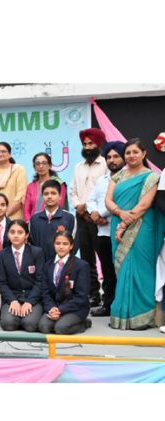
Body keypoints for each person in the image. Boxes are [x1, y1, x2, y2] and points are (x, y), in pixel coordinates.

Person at [106, 138, 163, 330]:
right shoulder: (117, 176)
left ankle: (142, 317)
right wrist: (120, 214)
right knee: (121, 269)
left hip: (142, 227)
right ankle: (121, 314)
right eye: (128, 153)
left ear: (144, 153)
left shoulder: (151, 177)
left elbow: (144, 205)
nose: (131, 156)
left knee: (141, 268)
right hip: (118, 221)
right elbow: (108, 200)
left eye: (135, 152)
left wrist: (123, 224)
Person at [85, 141, 125, 317]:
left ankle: (123, 307)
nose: (112, 160)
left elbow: (119, 204)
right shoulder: (103, 179)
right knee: (108, 273)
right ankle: (108, 306)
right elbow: (90, 199)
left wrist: (101, 214)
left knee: (122, 272)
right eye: (109, 157)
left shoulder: (128, 178)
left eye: (116, 156)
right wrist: (94, 213)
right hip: (102, 233)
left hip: (121, 233)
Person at [70, 128, 108, 307]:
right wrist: (78, 205)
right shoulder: (78, 166)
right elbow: (72, 190)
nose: (87, 147)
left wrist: (97, 211)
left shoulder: (106, 164)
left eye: (91, 144)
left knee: (105, 257)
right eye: (85, 144)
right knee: (86, 258)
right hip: (82, 217)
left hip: (100, 219)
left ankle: (109, 295)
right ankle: (93, 294)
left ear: (98, 144)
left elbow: (108, 191)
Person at [0, 219, 45, 331]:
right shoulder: (2, 255)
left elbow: (40, 281)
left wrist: (30, 302)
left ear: (26, 235)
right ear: (7, 235)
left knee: (30, 324)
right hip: (12, 297)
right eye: (12, 232)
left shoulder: (37, 252)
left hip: (32, 296)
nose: (16, 235)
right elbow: (1, 282)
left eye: (20, 232)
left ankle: (26, 317)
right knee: (8, 324)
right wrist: (12, 301)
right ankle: (17, 316)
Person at [37, 231, 91, 334]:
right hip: (54, 306)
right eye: (58, 243)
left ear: (71, 246)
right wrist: (52, 308)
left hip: (75, 308)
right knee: (43, 327)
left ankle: (84, 323)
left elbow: (81, 296)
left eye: (65, 244)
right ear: (54, 245)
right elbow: (45, 292)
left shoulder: (81, 266)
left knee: (61, 328)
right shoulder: (48, 265)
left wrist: (61, 309)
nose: (61, 247)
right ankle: (60, 319)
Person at [29, 180, 77, 261]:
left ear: (60, 196)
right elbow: (32, 244)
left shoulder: (69, 218)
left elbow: (73, 244)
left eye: (53, 193)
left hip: (61, 266)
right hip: (40, 266)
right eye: (46, 194)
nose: (49, 196)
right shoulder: (34, 219)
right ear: (42, 196)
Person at [23, 153, 68, 222]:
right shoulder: (31, 186)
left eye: (44, 163)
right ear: (34, 167)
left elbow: (60, 204)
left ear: (49, 165)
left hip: (54, 222)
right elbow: (26, 209)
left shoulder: (58, 183)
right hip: (33, 224)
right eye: (37, 164)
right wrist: (29, 222)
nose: (41, 166)